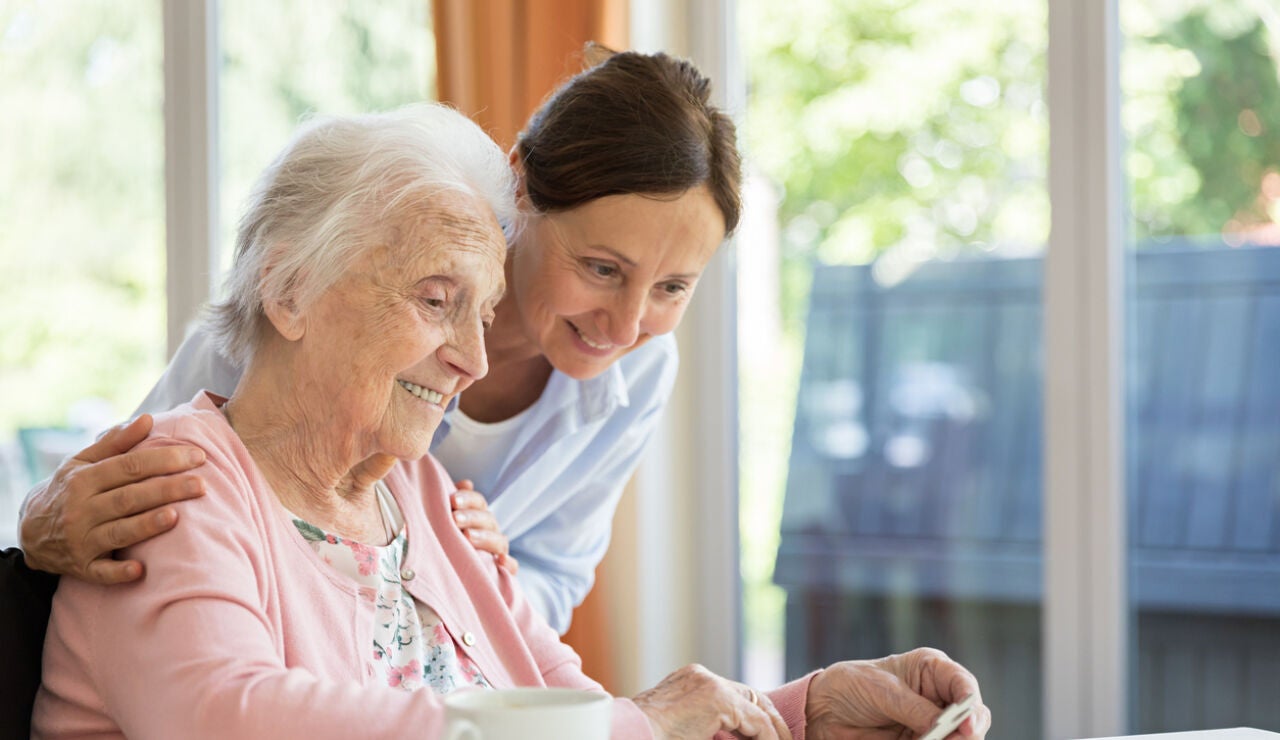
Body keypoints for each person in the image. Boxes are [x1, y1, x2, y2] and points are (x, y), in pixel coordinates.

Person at [32, 104, 991, 740]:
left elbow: (580, 715)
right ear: (290, 289)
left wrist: (795, 710)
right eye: (437, 300)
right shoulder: (169, 487)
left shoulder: (433, 504)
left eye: (481, 312)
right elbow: (223, 714)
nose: (474, 359)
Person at [20, 47, 735, 634]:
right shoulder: (337, 294)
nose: (627, 323)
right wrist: (35, 531)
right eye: (602, 269)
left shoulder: (639, 374)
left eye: (673, 287)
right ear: (519, 183)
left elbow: (555, 574)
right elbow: (121, 487)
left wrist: (488, 578)